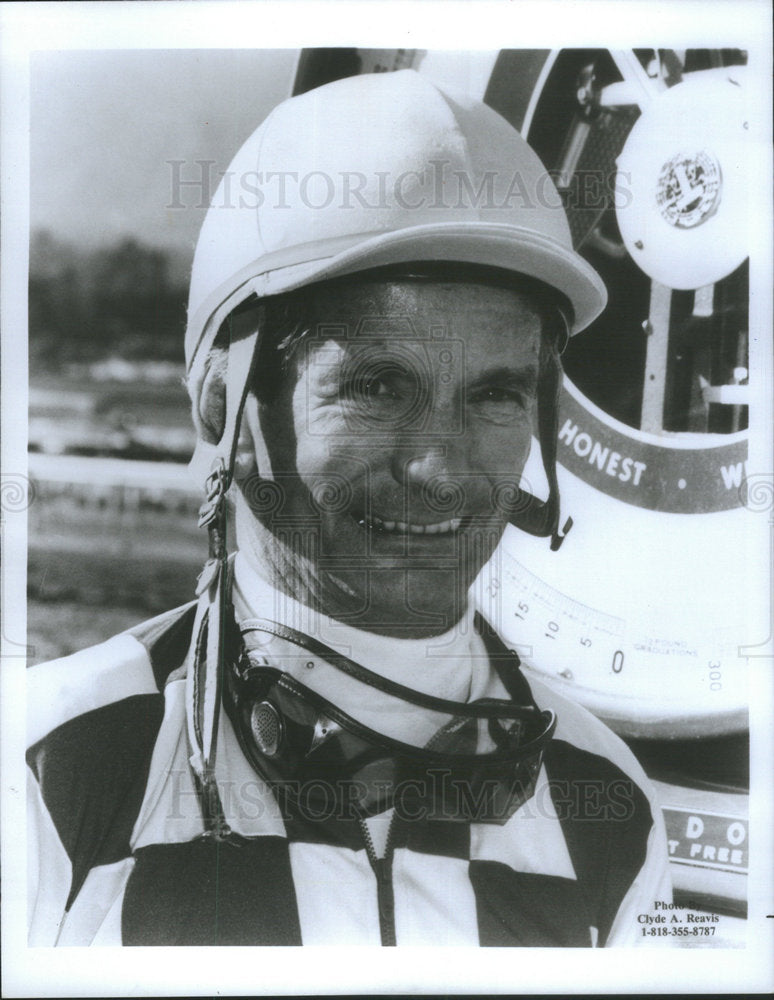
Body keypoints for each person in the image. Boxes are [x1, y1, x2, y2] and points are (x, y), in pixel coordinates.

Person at [26, 69, 671, 947]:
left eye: (495, 395)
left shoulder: (611, 807)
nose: (439, 470)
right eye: (377, 387)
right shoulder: (51, 769)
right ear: (223, 410)